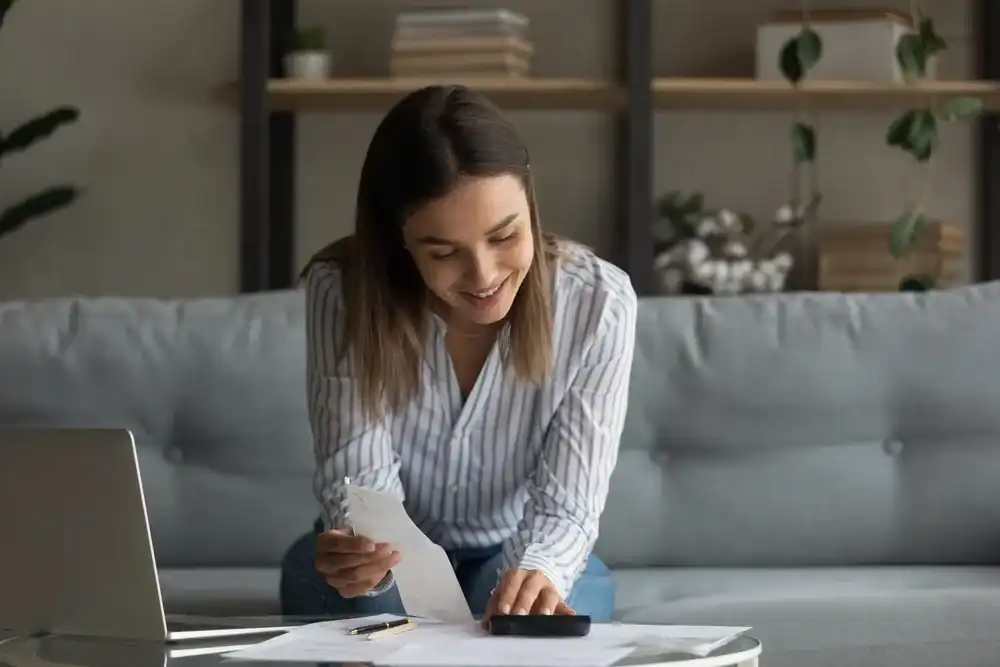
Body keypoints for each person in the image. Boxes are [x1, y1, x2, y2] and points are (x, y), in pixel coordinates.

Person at [279, 84, 637, 623]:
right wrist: (363, 549)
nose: (484, 276)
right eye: (443, 252)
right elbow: (360, 486)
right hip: (392, 555)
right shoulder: (343, 292)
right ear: (397, 239)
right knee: (375, 608)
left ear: (530, 201)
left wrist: (537, 571)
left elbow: (567, 507)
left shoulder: (598, 303)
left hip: (516, 544)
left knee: (528, 623)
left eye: (505, 236)